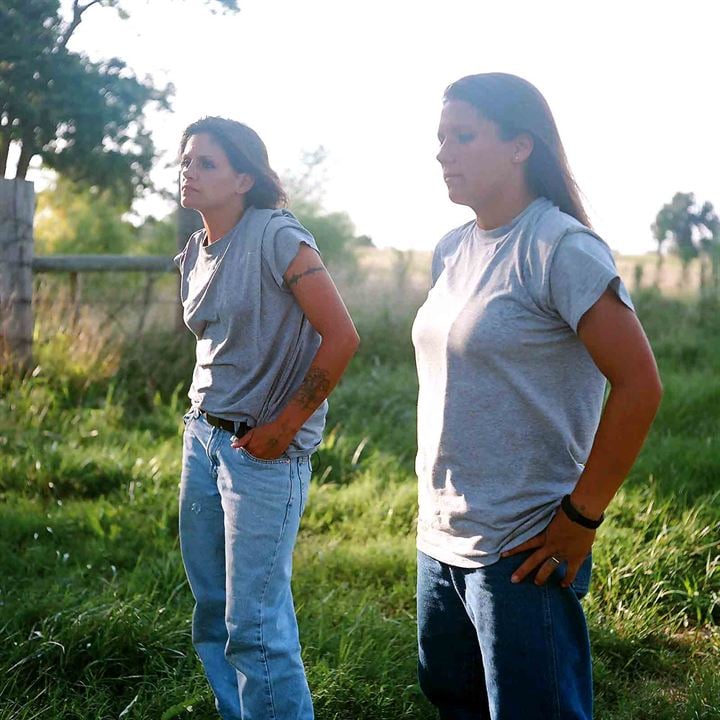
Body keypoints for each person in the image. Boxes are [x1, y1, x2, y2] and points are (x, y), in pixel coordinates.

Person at [411, 73, 663, 719]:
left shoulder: (561, 247)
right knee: (455, 704)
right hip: (441, 539)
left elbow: (640, 386)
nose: (444, 151)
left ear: (521, 146)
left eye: (464, 136)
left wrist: (581, 518)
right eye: (441, 137)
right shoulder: (452, 250)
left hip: (523, 546)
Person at [174, 116, 359, 720]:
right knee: (212, 611)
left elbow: (341, 336)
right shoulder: (194, 253)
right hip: (203, 437)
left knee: (254, 624)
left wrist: (285, 424)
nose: (189, 171)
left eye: (207, 163)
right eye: (186, 160)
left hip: (263, 451)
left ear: (245, 178)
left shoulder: (279, 237)